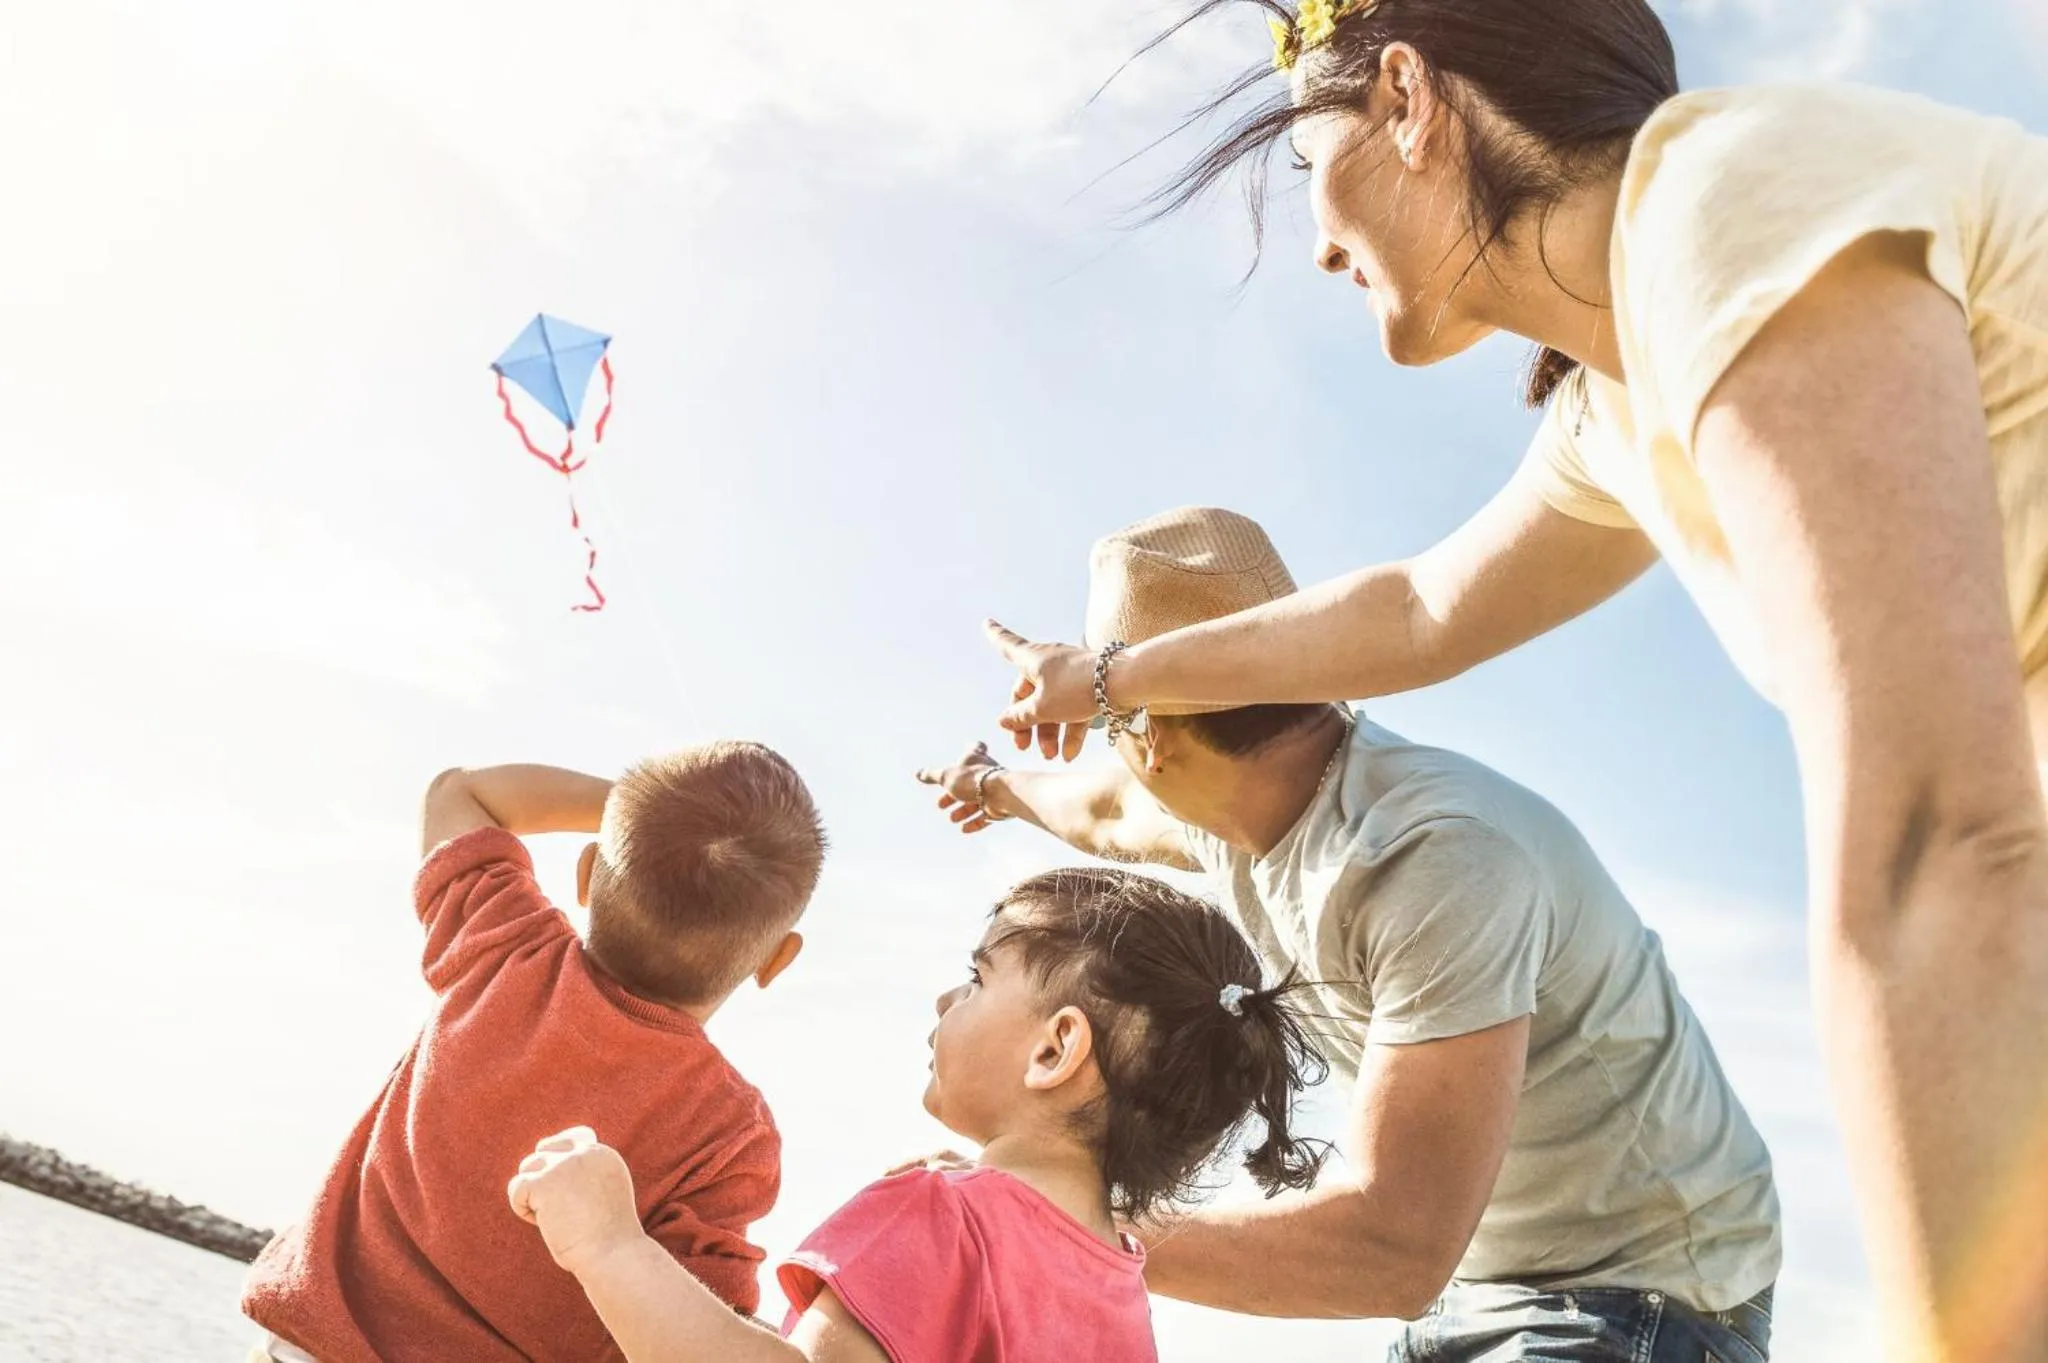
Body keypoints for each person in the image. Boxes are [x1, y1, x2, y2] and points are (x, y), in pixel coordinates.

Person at [980, 5, 2048, 1356]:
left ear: (1412, 100)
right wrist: (1113, 673)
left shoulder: (1726, 212)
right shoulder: (1623, 395)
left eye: (1313, 167)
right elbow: (1421, 608)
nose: (1317, 241)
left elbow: (1937, 851)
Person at [918, 507, 1780, 1361]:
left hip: (1649, 1299)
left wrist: (1062, 1221)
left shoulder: (1429, 860)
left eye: (1114, 720)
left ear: (1148, 738)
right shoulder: (1235, 811)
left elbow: (1394, 1245)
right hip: (1482, 1285)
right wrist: (989, 784)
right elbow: (1097, 809)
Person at [507, 867, 1328, 1363]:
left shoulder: (936, 1215)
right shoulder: (1117, 1286)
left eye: (976, 977)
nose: (945, 997)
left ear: (1054, 1051)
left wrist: (607, 1243)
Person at [242, 745, 827, 1362]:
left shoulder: (507, 951)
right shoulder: (731, 1135)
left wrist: (643, 817)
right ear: (776, 960)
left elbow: (460, 793)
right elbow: (683, 1331)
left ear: (586, 873)